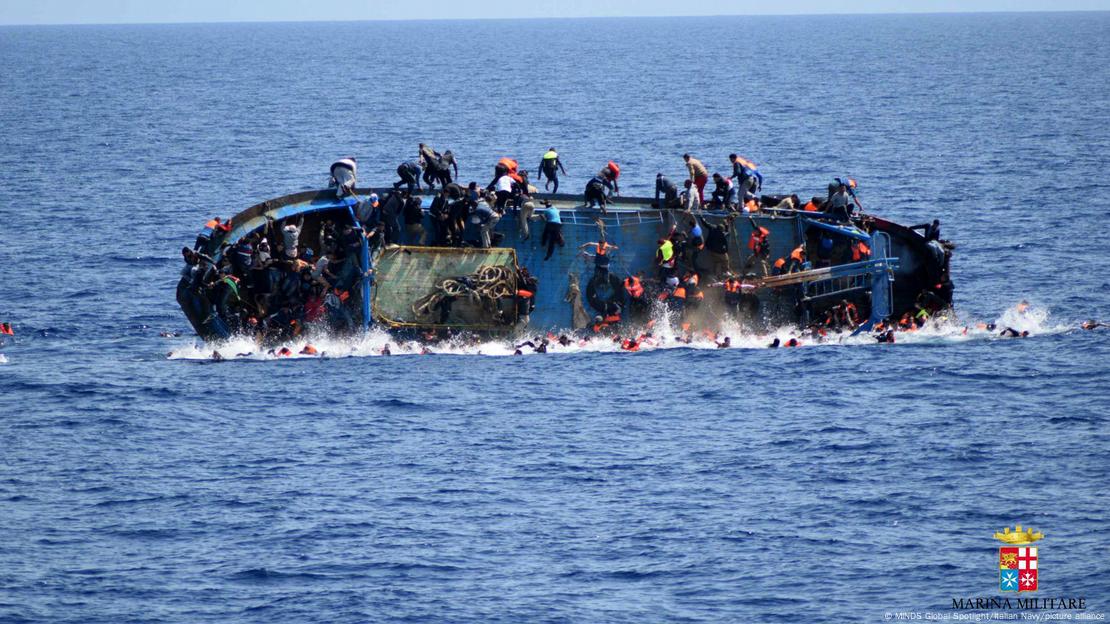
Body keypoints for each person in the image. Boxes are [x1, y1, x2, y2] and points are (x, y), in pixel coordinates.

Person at [699, 213, 734, 278]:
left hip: (711, 249)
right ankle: (726, 271)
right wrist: (727, 224)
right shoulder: (722, 234)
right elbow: (728, 232)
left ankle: (717, 275)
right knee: (726, 260)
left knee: (717, 262)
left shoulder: (712, 228)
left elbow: (705, 224)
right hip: (720, 251)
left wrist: (701, 217)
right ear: (722, 230)